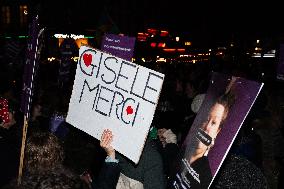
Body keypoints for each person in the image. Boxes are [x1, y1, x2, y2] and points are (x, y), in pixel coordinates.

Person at [173, 90, 235, 189]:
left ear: (218, 131)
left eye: (214, 123)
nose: (207, 127)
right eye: (207, 119)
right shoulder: (183, 150)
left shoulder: (207, 177)